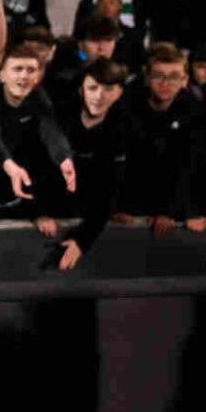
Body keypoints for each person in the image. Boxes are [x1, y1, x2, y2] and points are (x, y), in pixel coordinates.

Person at [0, 44, 76, 236]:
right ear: (2, 75)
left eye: (30, 70)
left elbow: (50, 129)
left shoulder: (39, 97)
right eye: (17, 69)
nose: (24, 76)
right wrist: (8, 164)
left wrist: (64, 158)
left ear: (37, 77)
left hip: (19, 182)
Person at [117, 42, 206, 236]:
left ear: (185, 80)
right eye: (158, 76)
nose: (166, 84)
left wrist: (171, 211)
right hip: (133, 200)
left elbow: (189, 165)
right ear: (146, 77)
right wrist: (117, 208)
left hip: (178, 201)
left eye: (174, 77)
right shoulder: (126, 107)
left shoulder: (195, 112)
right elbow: (120, 162)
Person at [53, 58, 128, 269]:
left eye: (109, 89)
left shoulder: (123, 129)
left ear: (120, 92)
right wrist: (40, 212)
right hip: (52, 208)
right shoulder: (59, 118)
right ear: (81, 90)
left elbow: (109, 190)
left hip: (92, 213)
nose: (99, 96)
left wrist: (82, 240)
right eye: (92, 88)